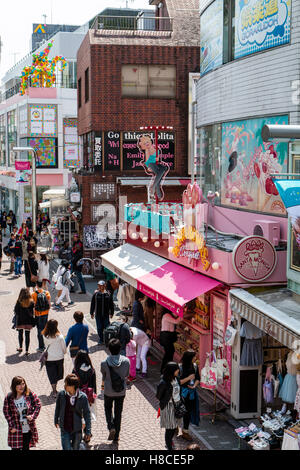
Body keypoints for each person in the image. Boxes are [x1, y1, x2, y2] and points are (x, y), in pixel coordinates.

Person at [101, 338, 130, 442]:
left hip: (108, 391)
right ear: (120, 348)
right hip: (121, 391)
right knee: (118, 412)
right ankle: (116, 435)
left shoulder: (104, 363)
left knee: (108, 409)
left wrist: (102, 387)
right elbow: (126, 375)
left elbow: (104, 376)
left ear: (109, 349)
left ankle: (111, 426)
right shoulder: (126, 361)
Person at [3, 376, 41, 451]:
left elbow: (38, 404)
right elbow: (6, 412)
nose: (21, 386)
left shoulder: (29, 394)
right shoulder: (9, 397)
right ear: (14, 386)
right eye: (19, 384)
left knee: (26, 448)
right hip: (16, 429)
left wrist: (33, 416)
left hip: (27, 428)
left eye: (23, 384)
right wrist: (11, 426)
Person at [54, 374, 91, 450]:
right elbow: (57, 408)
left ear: (73, 386)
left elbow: (87, 414)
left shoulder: (83, 397)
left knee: (76, 448)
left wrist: (88, 430)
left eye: (66, 384)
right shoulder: (61, 395)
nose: (64, 386)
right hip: (64, 427)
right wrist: (55, 420)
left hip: (77, 429)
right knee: (66, 448)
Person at [156, 362, 183, 451]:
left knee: (174, 427)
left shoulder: (177, 379)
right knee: (169, 429)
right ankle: (169, 446)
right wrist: (167, 399)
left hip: (178, 405)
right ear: (172, 371)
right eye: (176, 369)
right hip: (168, 406)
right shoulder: (164, 382)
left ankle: (169, 442)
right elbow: (158, 396)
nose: (178, 370)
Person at [73, 350, 97, 443]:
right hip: (89, 395)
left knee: (79, 416)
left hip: (78, 396)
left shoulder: (75, 370)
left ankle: (79, 434)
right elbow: (94, 385)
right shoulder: (91, 370)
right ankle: (88, 434)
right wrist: (93, 397)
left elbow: (73, 385)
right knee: (88, 416)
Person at [137, 134, 170, 201]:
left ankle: (154, 190)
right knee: (160, 173)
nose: (146, 144)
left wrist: (158, 159)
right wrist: (155, 159)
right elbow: (148, 160)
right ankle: (156, 192)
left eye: (147, 141)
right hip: (150, 164)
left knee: (163, 169)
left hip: (156, 164)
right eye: (144, 143)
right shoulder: (147, 150)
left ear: (150, 141)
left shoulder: (156, 149)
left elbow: (159, 159)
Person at [42, 319, 67, 398]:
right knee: (58, 373)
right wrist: (64, 352)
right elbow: (64, 348)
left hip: (49, 358)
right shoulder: (60, 337)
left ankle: (54, 390)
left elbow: (46, 346)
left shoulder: (45, 336)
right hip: (59, 357)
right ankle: (55, 388)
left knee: (51, 374)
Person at [179, 350, 200, 441]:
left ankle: (185, 431)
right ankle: (175, 427)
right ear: (189, 358)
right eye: (194, 357)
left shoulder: (195, 366)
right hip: (181, 393)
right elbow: (178, 382)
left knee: (188, 412)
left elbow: (198, 378)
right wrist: (189, 378)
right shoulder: (180, 367)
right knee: (179, 411)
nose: (196, 358)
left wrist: (194, 385)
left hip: (191, 394)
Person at [90, 280, 114, 345]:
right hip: (98, 315)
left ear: (104, 285)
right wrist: (91, 313)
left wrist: (112, 313)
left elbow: (111, 304)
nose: (100, 287)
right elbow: (92, 304)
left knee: (106, 327)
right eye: (99, 285)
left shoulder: (108, 294)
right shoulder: (96, 294)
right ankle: (101, 339)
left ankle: (106, 339)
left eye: (101, 285)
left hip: (106, 315)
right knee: (99, 327)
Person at [14, 288, 35, 356]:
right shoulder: (31, 302)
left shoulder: (19, 301)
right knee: (27, 335)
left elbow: (16, 311)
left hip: (20, 321)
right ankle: (27, 350)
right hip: (28, 321)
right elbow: (32, 312)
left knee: (20, 334)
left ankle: (20, 347)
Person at [32, 281, 51, 353]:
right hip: (45, 313)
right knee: (45, 329)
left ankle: (41, 347)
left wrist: (34, 314)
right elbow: (49, 305)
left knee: (39, 330)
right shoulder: (47, 293)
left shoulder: (33, 294)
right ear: (42, 285)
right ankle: (46, 345)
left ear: (36, 285)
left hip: (38, 314)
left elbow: (33, 306)